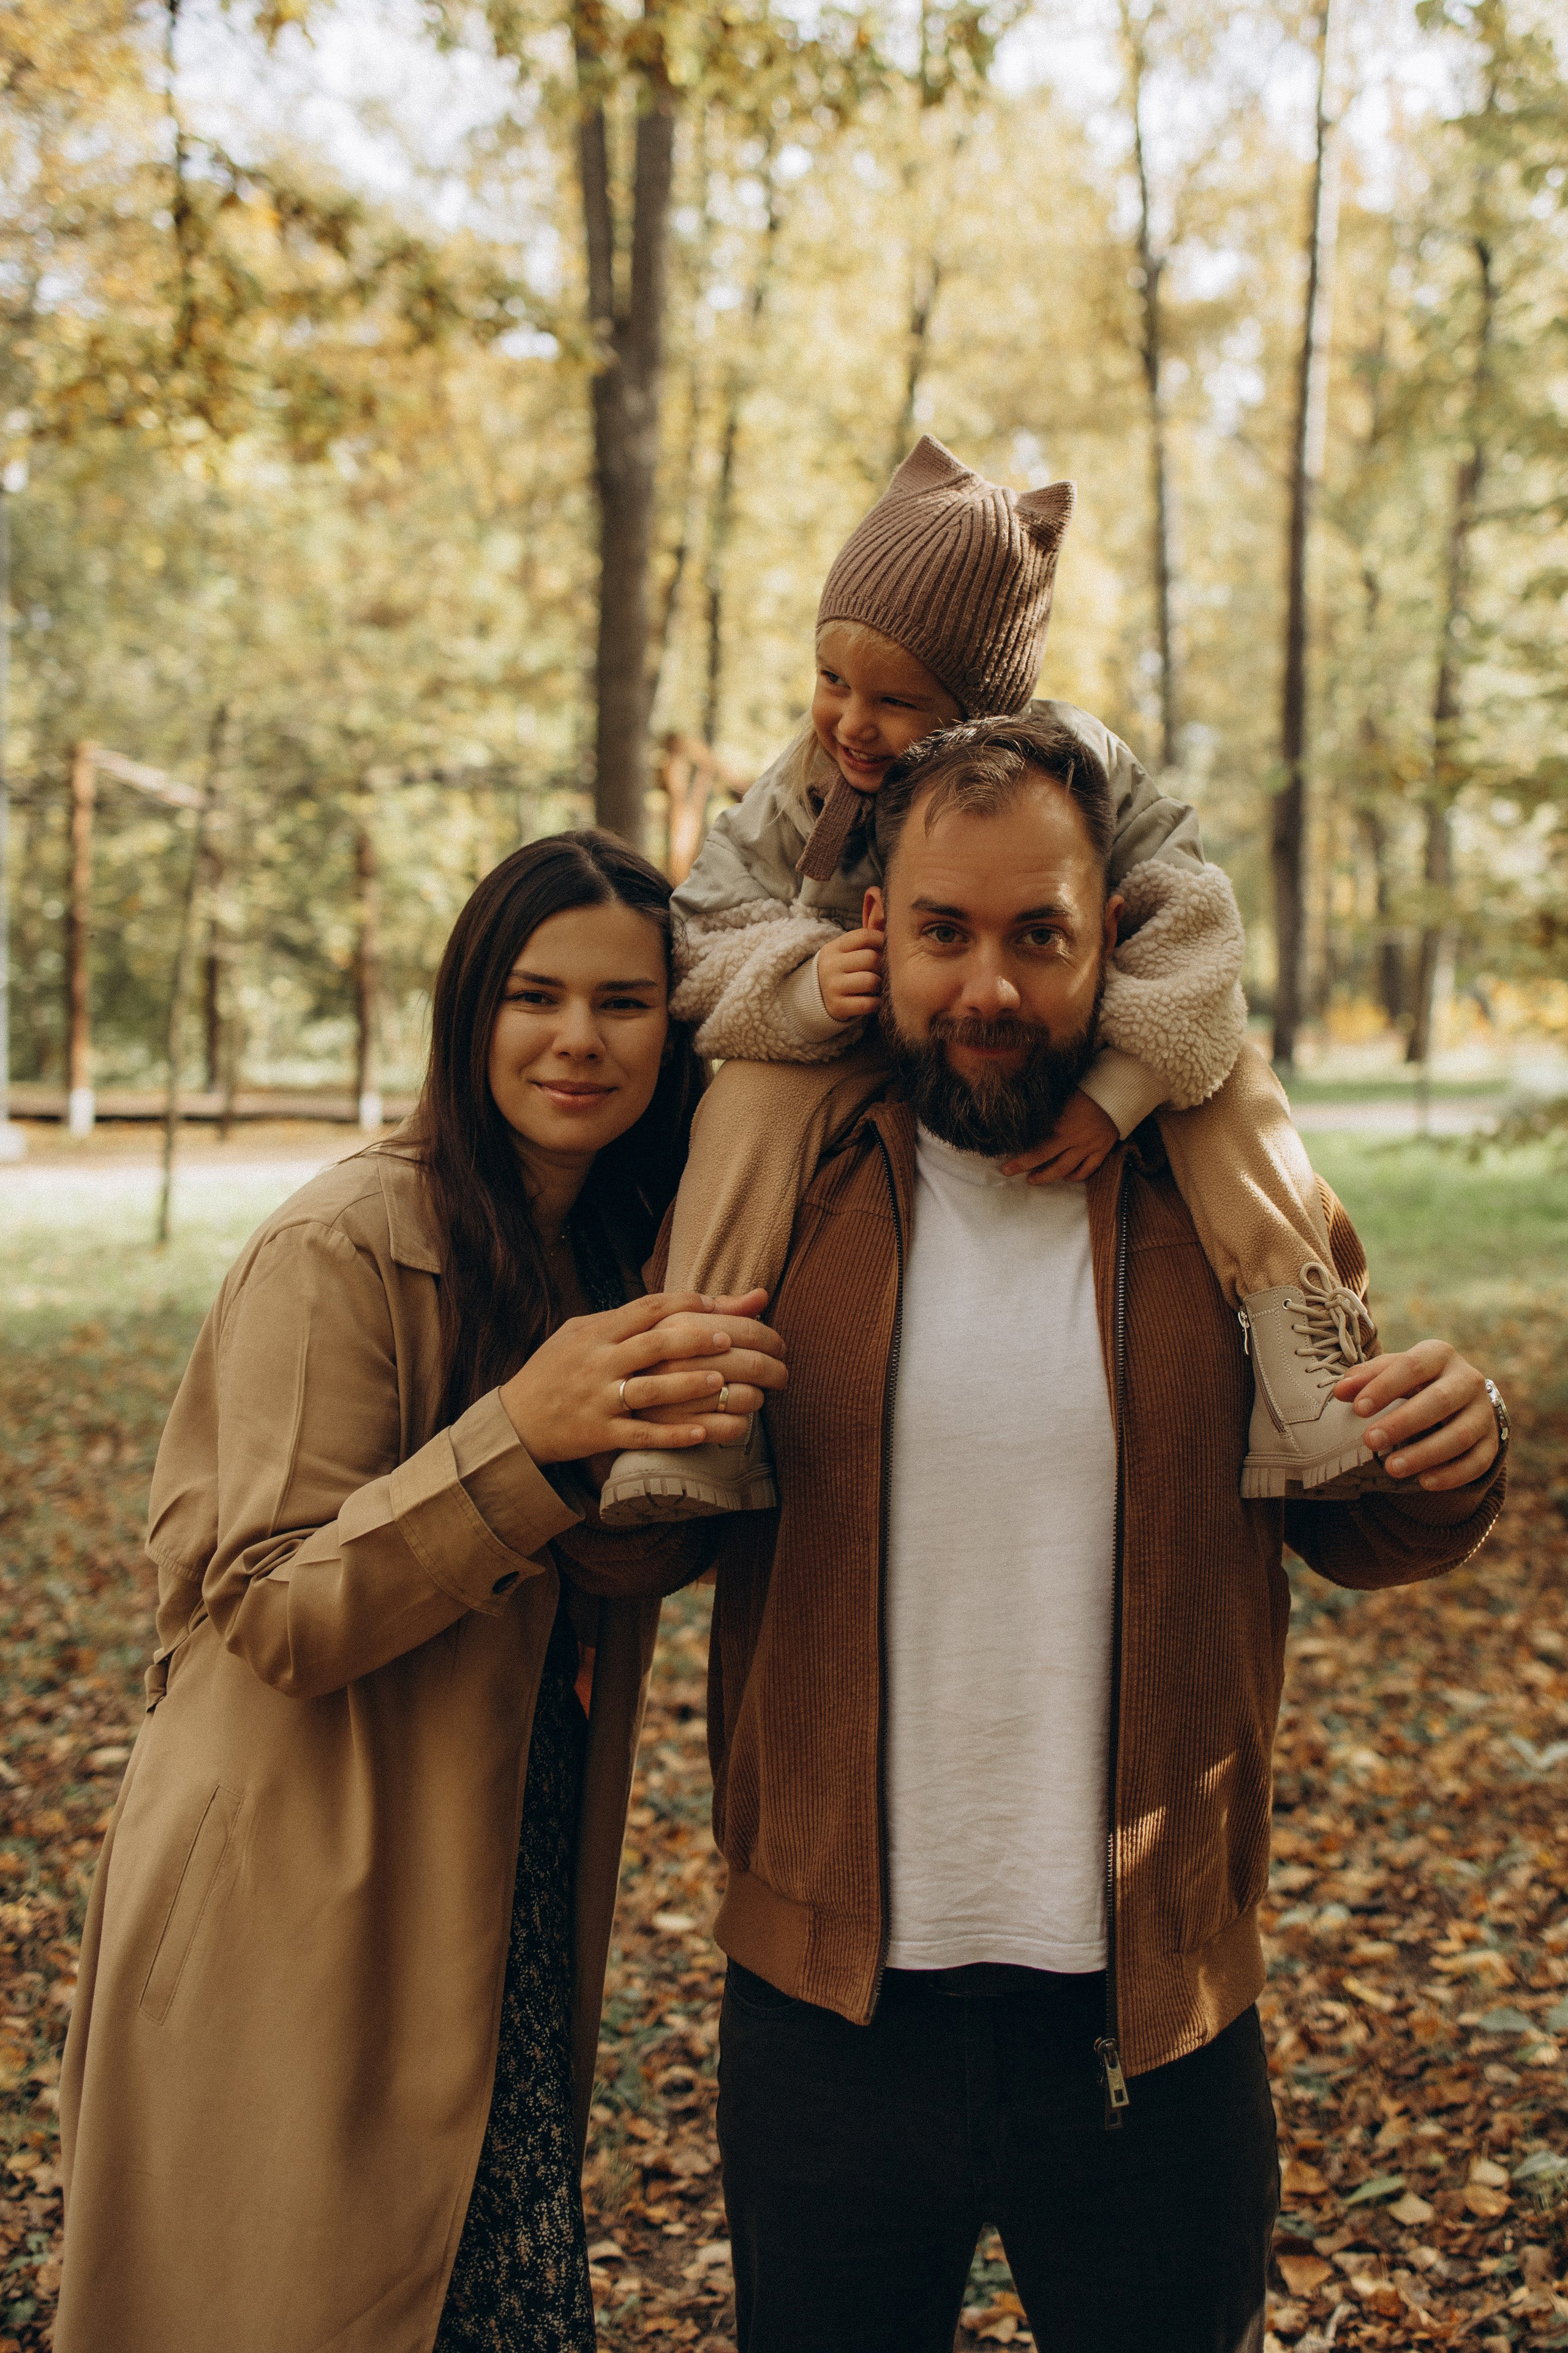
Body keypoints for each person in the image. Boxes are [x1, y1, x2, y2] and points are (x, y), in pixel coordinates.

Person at [674, 717, 1509, 2353]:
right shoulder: (789, 1182)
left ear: (1109, 936)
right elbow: (649, 1546)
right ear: (876, 934)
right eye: (944, 934)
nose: (987, 986)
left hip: (1157, 2037)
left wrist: (1453, 1453)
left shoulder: (1215, 1185)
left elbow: (1365, 1515)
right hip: (829, 2026)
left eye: (1036, 935)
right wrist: (577, 1439)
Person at [53, 831, 786, 2353]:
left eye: (625, 1002)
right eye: (533, 995)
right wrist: (526, 1429)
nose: (578, 1038)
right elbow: (271, 1607)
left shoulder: (621, 1251)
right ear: (469, 1014)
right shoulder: (342, 1242)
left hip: (497, 1878)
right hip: (300, 1891)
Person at [602, 434, 1373, 1528]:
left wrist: (1120, 1093)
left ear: (978, 708)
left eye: (896, 702)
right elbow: (703, 932)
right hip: (859, 1034)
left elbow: (1201, 930)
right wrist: (807, 985)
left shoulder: (1080, 772)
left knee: (1234, 1082)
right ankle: (701, 1371)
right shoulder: (805, 787)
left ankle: (1303, 1360)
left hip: (1073, 1027)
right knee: (748, 1104)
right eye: (831, 681)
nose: (852, 723)